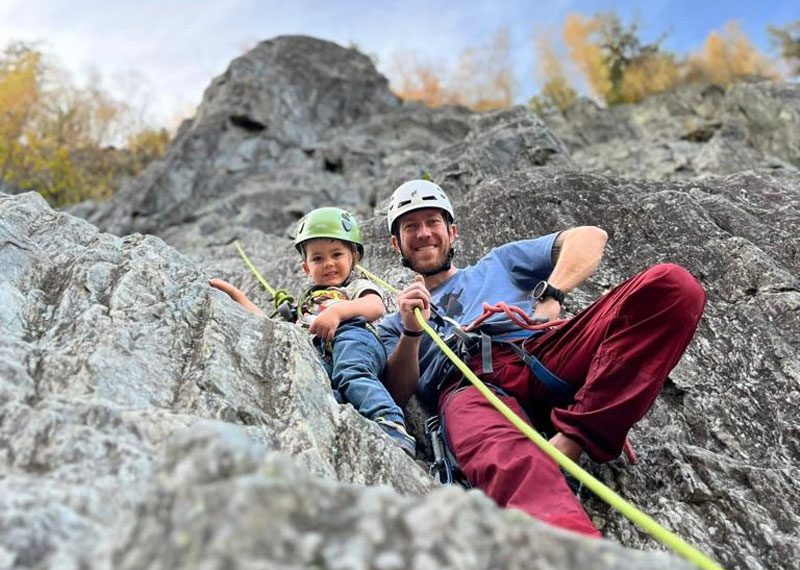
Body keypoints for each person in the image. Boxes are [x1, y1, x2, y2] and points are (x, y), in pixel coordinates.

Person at [378, 179, 706, 537]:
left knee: (672, 286)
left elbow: (589, 237)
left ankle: (573, 438)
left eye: (432, 223)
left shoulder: (498, 263)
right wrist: (411, 332)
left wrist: (553, 293)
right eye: (411, 226)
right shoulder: (395, 323)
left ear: (452, 232)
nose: (424, 233)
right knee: (509, 464)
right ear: (397, 243)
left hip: (538, 353)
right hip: (466, 387)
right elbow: (396, 394)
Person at [211, 207, 416, 456]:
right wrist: (238, 297)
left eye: (337, 254)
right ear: (306, 268)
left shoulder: (356, 286)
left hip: (353, 336)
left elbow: (375, 307)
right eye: (318, 259)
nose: (328, 263)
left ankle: (390, 421)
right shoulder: (305, 306)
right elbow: (274, 331)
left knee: (352, 373)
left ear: (354, 257)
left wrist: (338, 312)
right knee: (326, 390)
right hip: (317, 349)